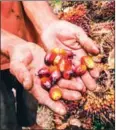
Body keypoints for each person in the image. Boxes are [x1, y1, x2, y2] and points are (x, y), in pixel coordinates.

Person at [1, 1, 99, 130]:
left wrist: (47, 21)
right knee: (3, 111)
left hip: (29, 47)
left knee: (30, 92)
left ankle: (31, 123)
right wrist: (9, 43)